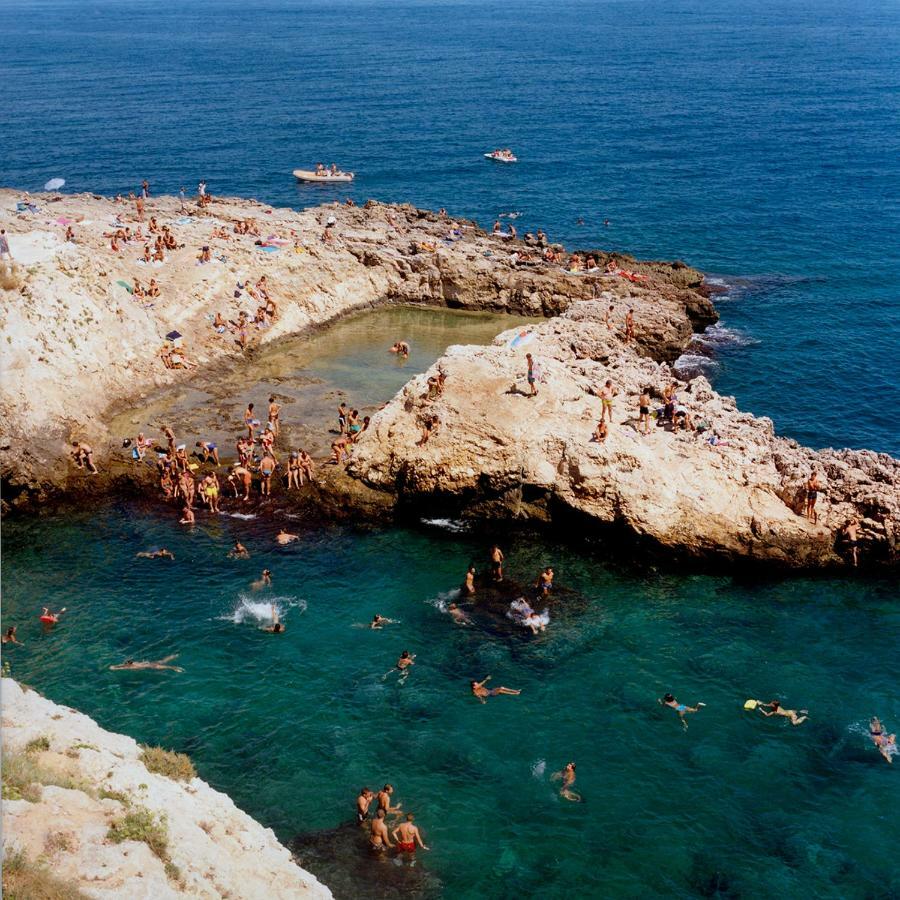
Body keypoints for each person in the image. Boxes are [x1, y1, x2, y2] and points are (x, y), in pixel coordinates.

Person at [110, 654, 183, 672]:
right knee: (163, 661)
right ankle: (173, 656)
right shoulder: (134, 663)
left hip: (152, 666)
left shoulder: (133, 666)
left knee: (167, 667)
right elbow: (123, 665)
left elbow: (123, 667)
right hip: (150, 663)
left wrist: (115, 668)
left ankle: (176, 668)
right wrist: (115, 666)